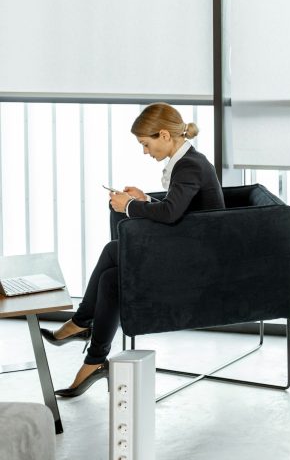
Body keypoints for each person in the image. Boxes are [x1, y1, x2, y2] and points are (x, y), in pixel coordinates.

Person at [40, 103, 224, 397]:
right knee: (111, 280)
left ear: (164, 135)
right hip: (189, 248)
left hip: (197, 264)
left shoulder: (190, 165)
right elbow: (181, 209)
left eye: (146, 144)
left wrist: (128, 205)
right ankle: (95, 359)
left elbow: (172, 213)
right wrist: (147, 199)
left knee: (114, 250)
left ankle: (81, 323)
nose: (145, 152)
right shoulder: (188, 160)